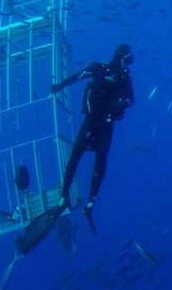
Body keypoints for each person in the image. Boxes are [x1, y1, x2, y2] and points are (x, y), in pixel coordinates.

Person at [51, 44, 135, 234]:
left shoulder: (116, 75)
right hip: (96, 121)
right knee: (82, 159)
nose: (129, 63)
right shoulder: (106, 70)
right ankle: (68, 198)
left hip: (101, 122)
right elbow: (130, 100)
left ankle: (81, 202)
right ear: (122, 57)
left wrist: (58, 87)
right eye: (128, 59)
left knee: (91, 161)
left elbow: (130, 100)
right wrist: (58, 87)